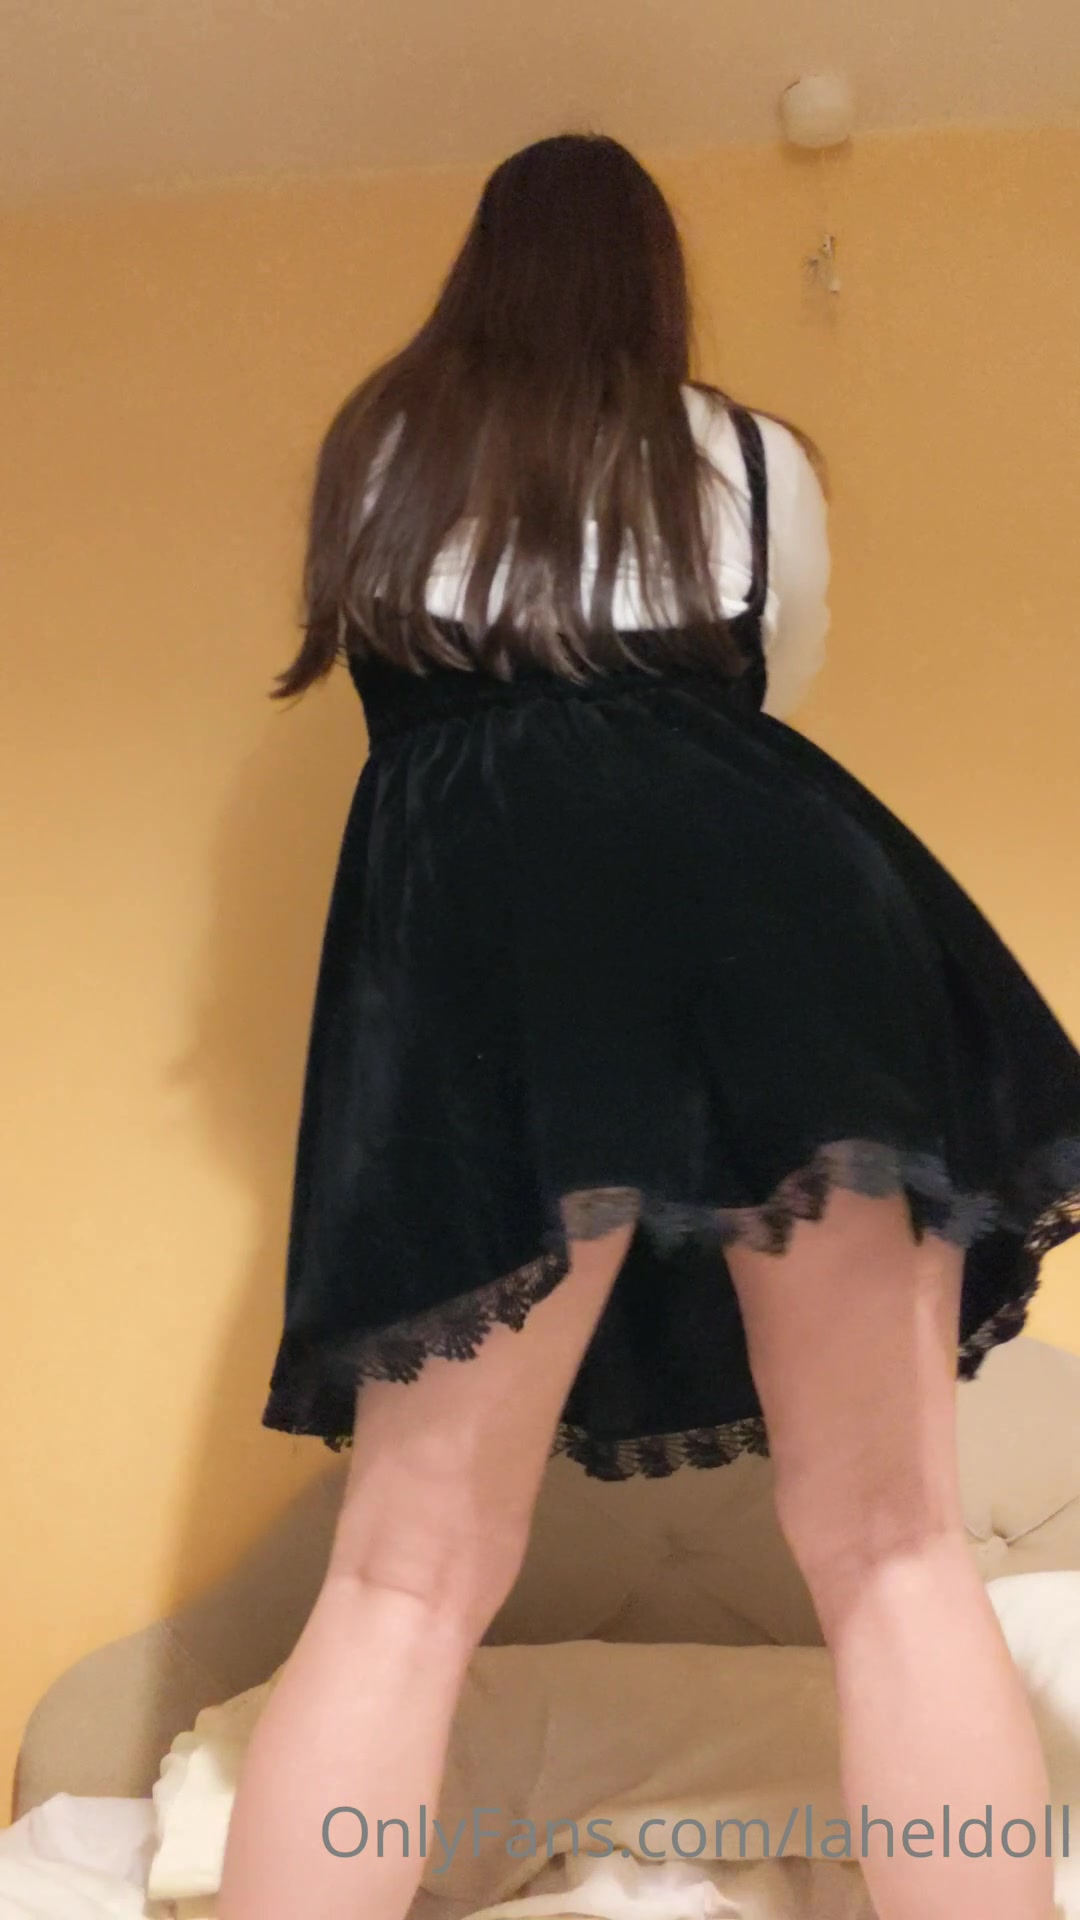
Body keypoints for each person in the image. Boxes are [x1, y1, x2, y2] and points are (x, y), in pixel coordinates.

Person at [218, 134, 1080, 1920]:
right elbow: (771, 685)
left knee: (399, 1585)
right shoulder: (755, 462)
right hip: (789, 926)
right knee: (897, 1552)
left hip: (488, 951)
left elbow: (378, 661)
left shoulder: (383, 445)